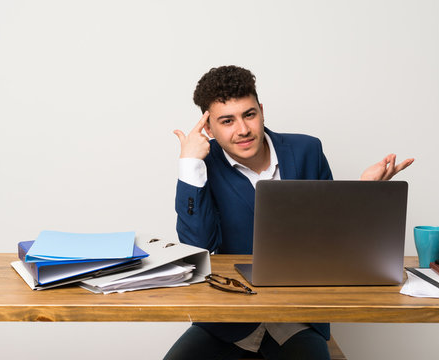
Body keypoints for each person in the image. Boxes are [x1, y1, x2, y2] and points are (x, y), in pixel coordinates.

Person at [165, 65, 413, 360]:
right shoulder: (205, 164)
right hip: (229, 320)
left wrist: (364, 192)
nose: (242, 129)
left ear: (262, 111)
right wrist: (190, 165)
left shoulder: (307, 149)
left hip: (297, 318)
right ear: (209, 129)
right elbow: (199, 247)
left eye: (249, 114)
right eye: (227, 121)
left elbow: (335, 240)